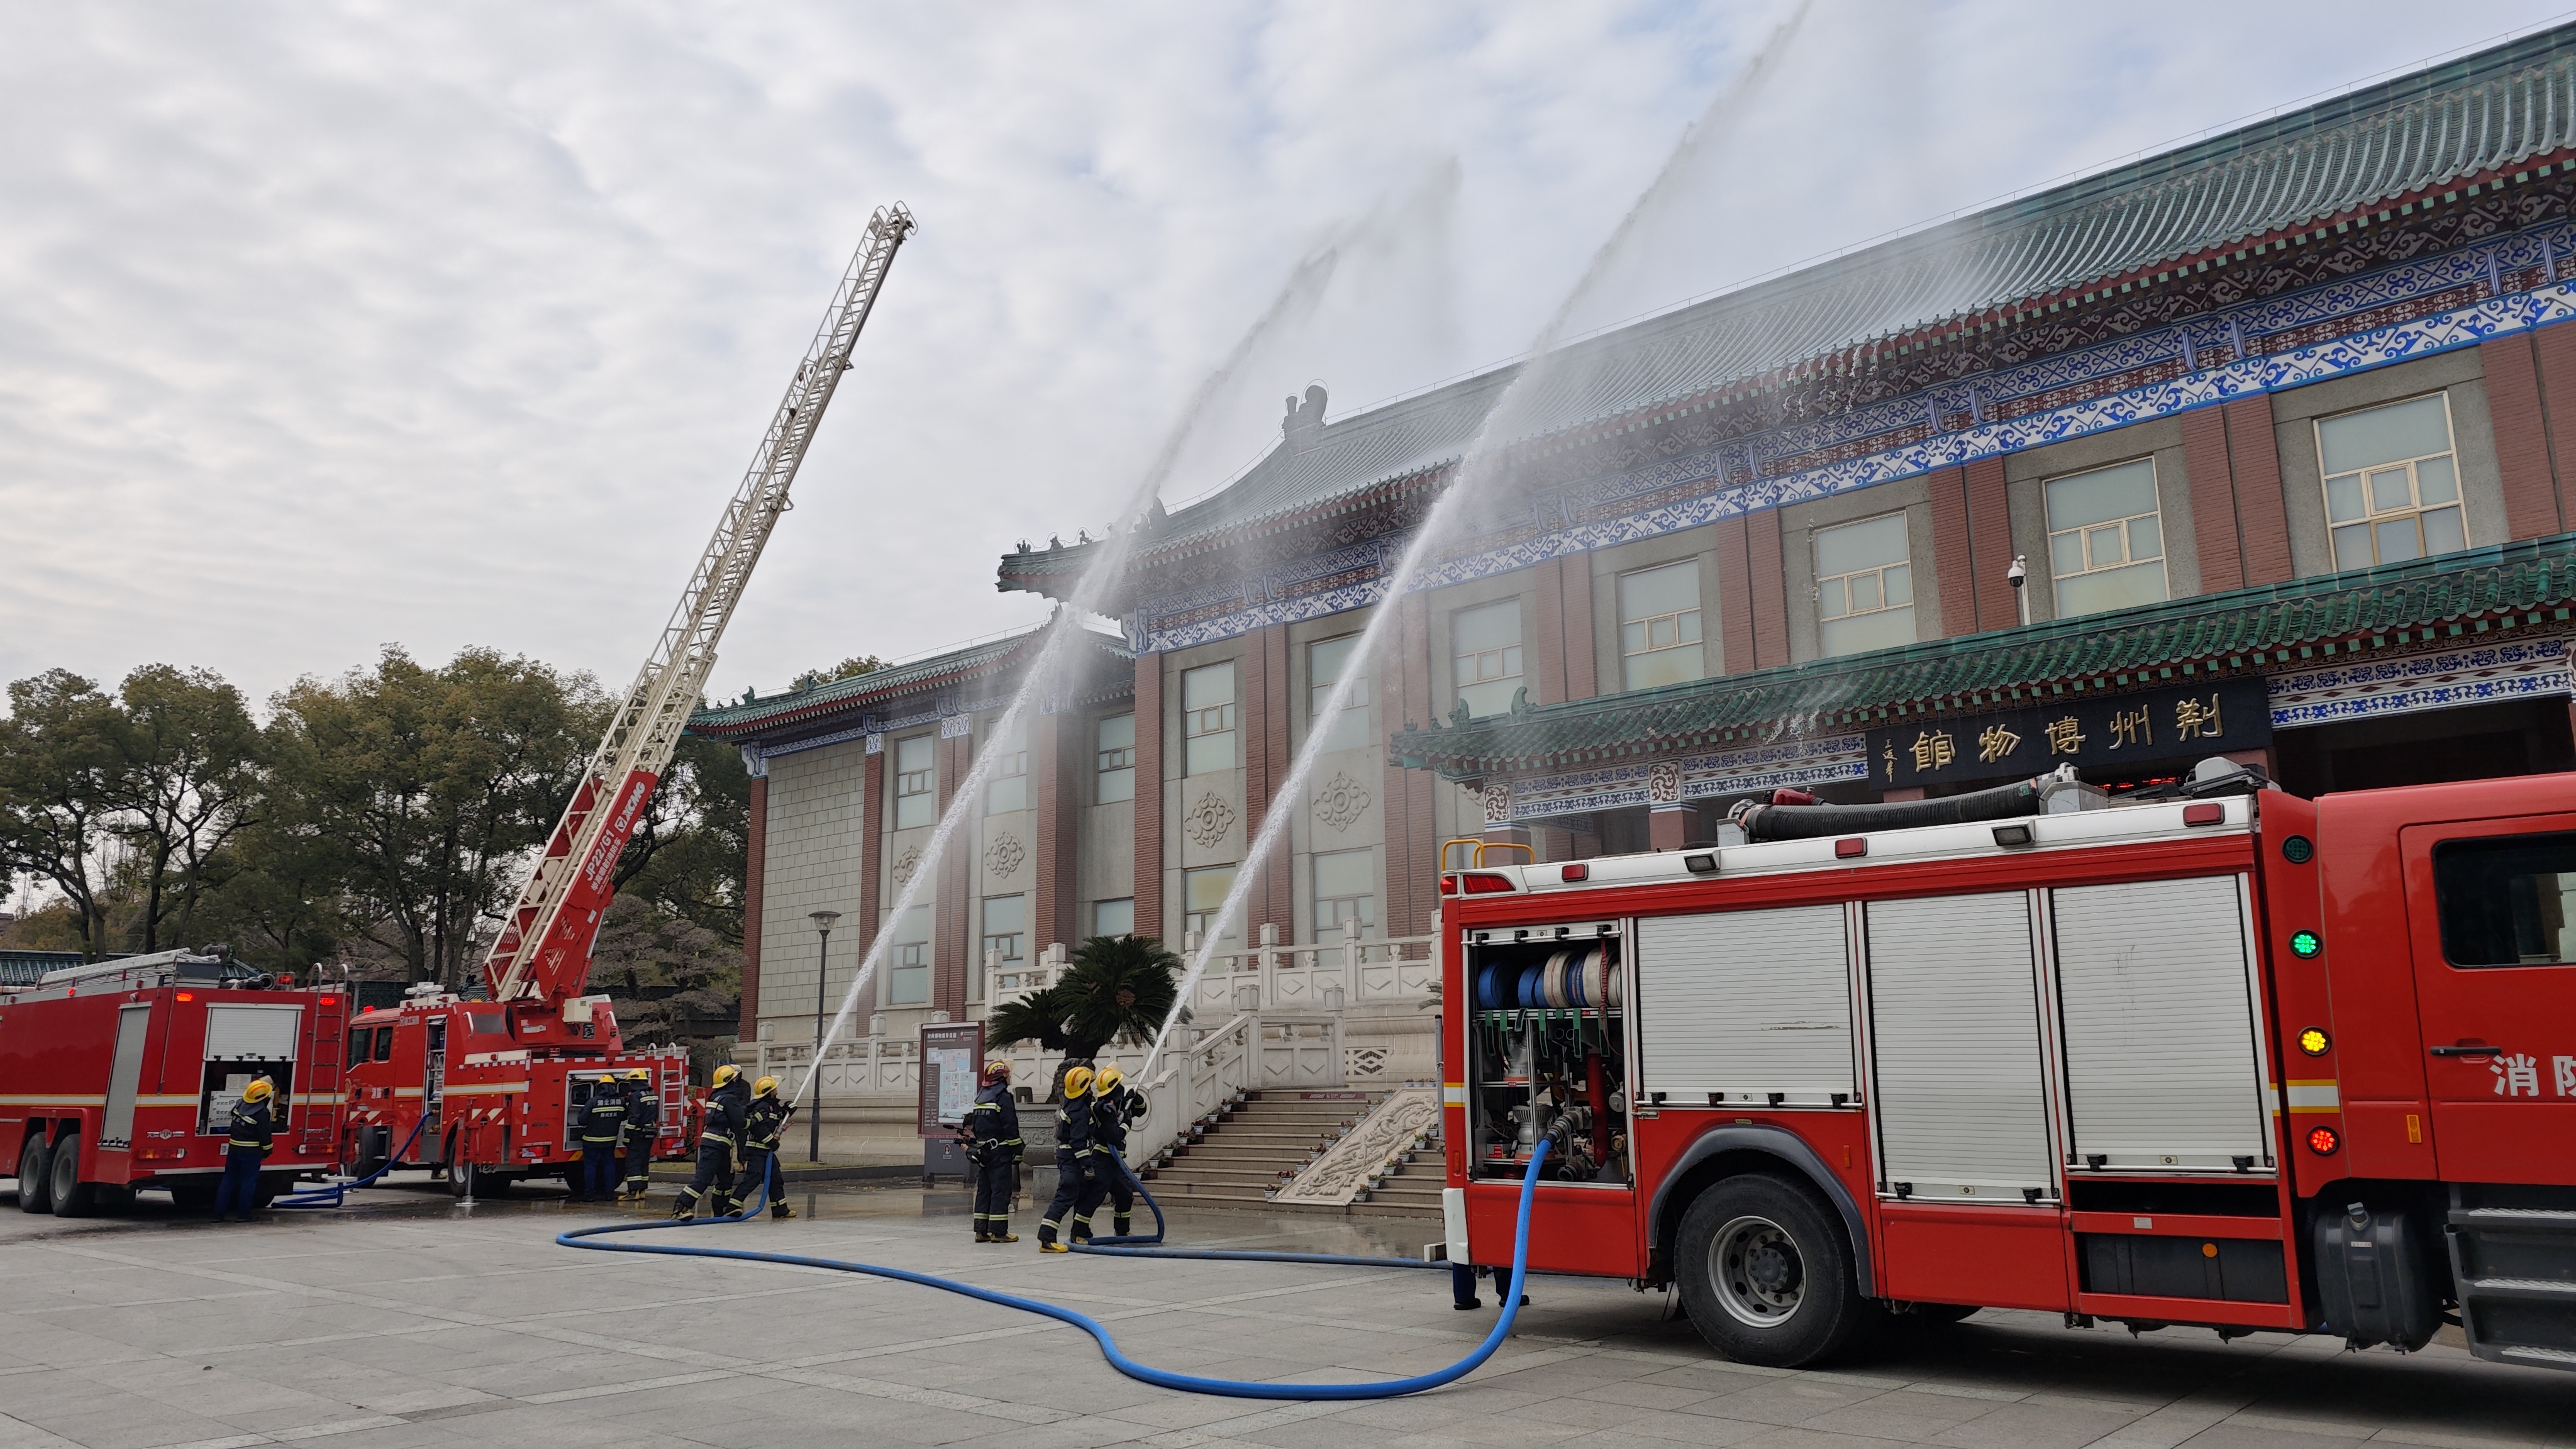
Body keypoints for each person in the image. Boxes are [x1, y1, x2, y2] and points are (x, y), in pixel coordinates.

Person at [1075, 1063, 1147, 1241]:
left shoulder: (1117, 1103)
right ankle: (1079, 1232)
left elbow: (1141, 1111)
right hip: (1102, 1160)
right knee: (1095, 1196)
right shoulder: (1103, 1109)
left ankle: (1122, 1231)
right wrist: (1127, 1123)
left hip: (1116, 1163)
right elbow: (1115, 1136)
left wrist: (1136, 1099)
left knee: (1125, 1195)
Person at [670, 1063, 749, 1219]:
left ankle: (721, 1208)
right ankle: (681, 1207)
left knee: (726, 1178)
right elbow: (740, 1121)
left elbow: (734, 1113)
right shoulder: (729, 1099)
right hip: (716, 1145)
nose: (736, 1081)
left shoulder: (717, 1097)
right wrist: (755, 1122)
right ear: (729, 1081)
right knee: (704, 1177)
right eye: (734, 1079)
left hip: (719, 1145)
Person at [960, 1059, 1023, 1243]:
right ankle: (999, 1232)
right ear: (1001, 1078)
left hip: (984, 1153)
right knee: (1000, 1191)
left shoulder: (980, 1097)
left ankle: (981, 1231)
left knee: (984, 1191)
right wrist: (1018, 1150)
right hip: (1000, 1152)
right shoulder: (1003, 1098)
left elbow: (979, 1127)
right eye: (1007, 1075)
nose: (1009, 1078)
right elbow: (1010, 1126)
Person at [1034, 1064, 1094, 1253]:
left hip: (1066, 1156)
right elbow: (1078, 1143)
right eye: (1089, 1086)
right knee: (1065, 1196)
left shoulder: (1070, 1104)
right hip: (1072, 1160)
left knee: (1075, 1194)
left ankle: (1075, 1233)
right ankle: (1046, 1238)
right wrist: (1088, 1165)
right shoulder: (1079, 1111)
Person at [724, 1075, 795, 1219]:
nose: (777, 1089)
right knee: (753, 1179)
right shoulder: (761, 1107)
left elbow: (775, 1117)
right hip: (757, 1150)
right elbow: (759, 1128)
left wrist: (787, 1111)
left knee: (776, 1179)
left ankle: (780, 1209)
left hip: (765, 1150)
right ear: (770, 1091)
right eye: (774, 1088)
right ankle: (732, 1206)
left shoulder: (770, 1105)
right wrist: (772, 1142)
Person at [213, 1076, 275, 1222]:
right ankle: (244, 1215)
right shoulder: (261, 1113)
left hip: (234, 1148)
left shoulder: (239, 1105)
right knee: (248, 1183)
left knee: (228, 1181)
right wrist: (268, 1150)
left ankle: (218, 1214)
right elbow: (265, 1135)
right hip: (251, 1152)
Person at [570, 1073, 626, 1205]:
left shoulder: (593, 1102)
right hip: (610, 1142)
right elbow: (624, 1116)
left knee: (590, 1167)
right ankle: (609, 1194)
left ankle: (589, 1195)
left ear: (600, 1087)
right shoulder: (621, 1102)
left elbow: (582, 1120)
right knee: (609, 1166)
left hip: (591, 1142)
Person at [617, 1068, 658, 1202]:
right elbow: (655, 1114)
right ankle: (642, 1191)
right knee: (644, 1162)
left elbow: (634, 1117)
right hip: (650, 1132)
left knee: (633, 1162)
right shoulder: (652, 1093)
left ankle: (633, 1192)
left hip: (638, 1134)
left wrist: (627, 1135)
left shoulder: (636, 1096)